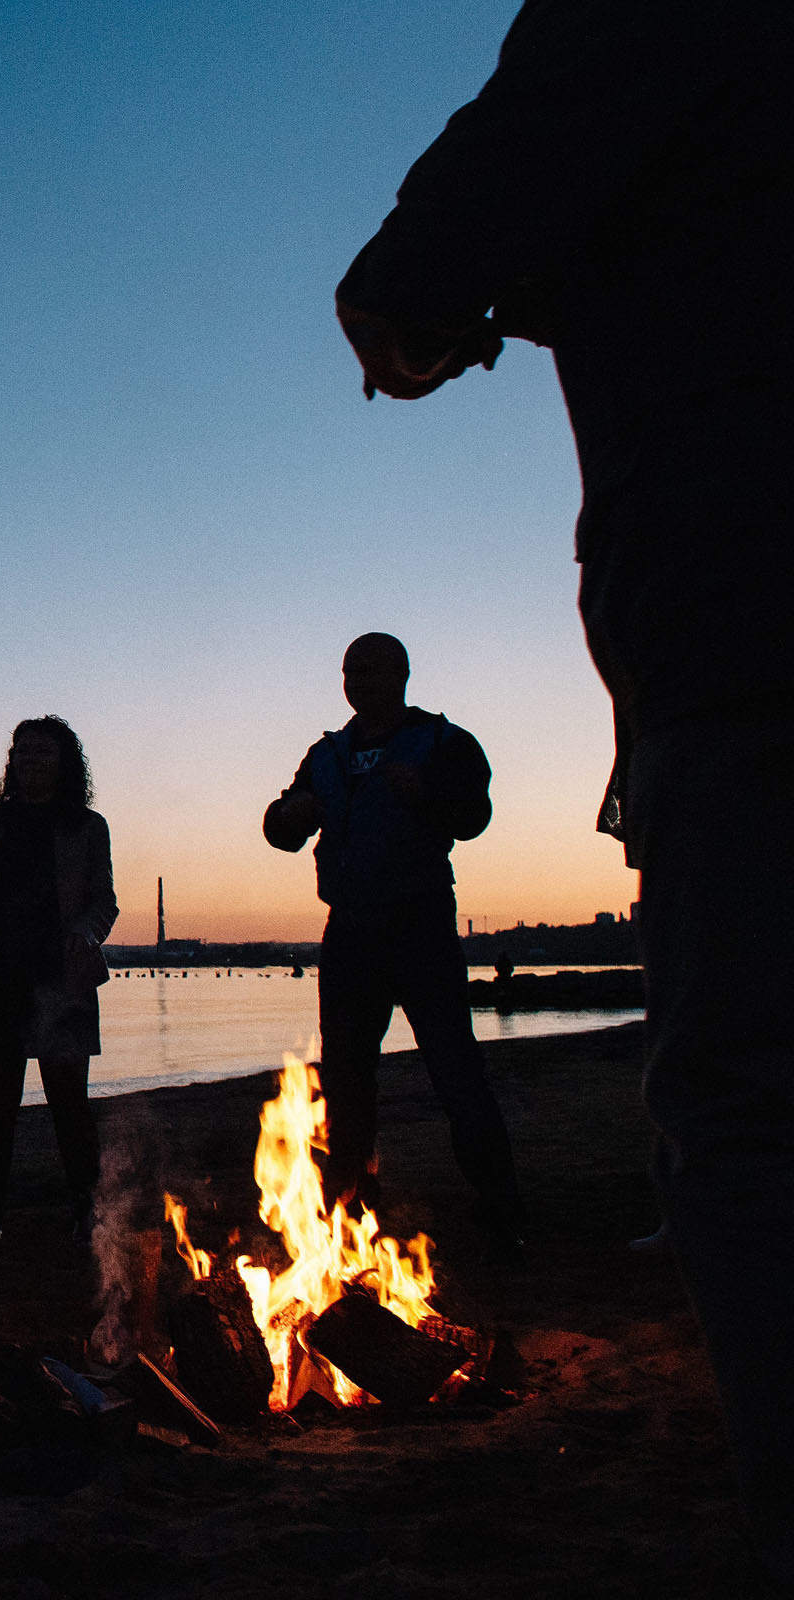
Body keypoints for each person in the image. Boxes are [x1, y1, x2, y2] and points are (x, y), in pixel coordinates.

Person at [333, 1, 790, 1573]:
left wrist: (451, 322)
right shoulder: (339, 755)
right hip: (372, 927)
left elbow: (401, 289)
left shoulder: (630, 24)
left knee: (751, 1119)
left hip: (748, 651)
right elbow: (286, 826)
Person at [263, 634, 525, 1242]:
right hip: (349, 932)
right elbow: (281, 826)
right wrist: (288, 817)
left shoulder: (443, 741)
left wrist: (427, 795)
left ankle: (502, 1208)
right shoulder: (327, 753)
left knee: (456, 1071)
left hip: (421, 926)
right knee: (346, 1078)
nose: (358, 680)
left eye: (372, 669)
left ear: (402, 674)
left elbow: (475, 817)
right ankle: (351, 1211)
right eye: (350, 670)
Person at [0, 717, 119, 1246]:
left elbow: (103, 902)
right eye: (21, 752)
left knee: (70, 1107)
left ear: (65, 763)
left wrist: (86, 933)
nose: (29, 761)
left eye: (43, 752)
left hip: (62, 984)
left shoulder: (88, 827)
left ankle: (85, 1212)